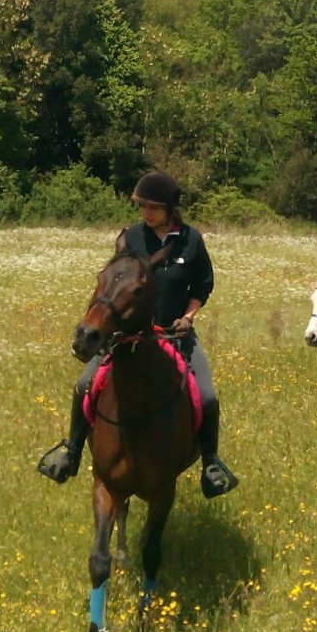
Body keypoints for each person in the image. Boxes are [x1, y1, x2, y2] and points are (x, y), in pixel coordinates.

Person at [38, 171, 238, 498]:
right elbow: (115, 282)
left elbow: (203, 284)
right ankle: (71, 450)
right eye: (143, 206)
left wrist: (189, 316)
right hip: (127, 338)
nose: (146, 213)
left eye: (154, 208)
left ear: (170, 209)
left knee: (206, 396)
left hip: (175, 335)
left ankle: (211, 464)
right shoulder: (131, 238)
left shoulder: (191, 240)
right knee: (84, 384)